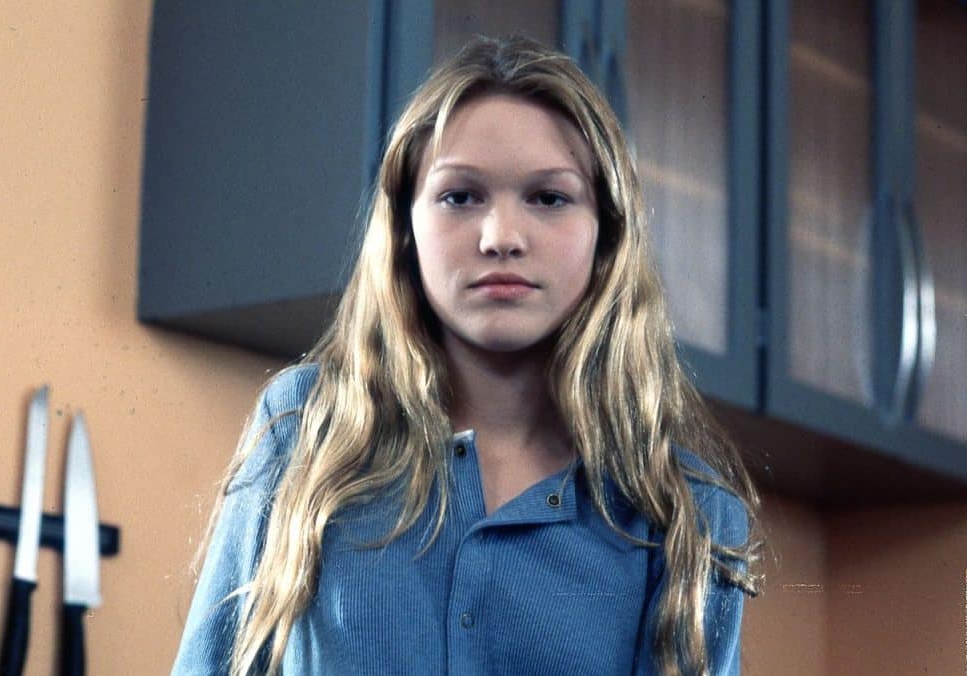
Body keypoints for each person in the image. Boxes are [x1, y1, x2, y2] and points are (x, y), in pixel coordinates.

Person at [172, 35, 761, 676]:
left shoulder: (686, 513)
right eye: (460, 196)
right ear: (404, 228)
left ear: (607, 234)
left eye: (549, 198)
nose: (501, 237)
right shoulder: (305, 431)